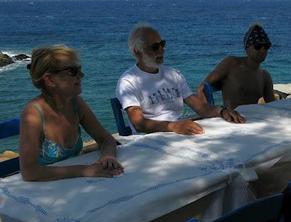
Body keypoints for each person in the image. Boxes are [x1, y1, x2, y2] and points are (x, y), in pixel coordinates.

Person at [116, 24, 245, 135]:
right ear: (137, 51)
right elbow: (139, 124)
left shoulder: (172, 75)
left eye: (162, 44)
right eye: (154, 47)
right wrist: (173, 126)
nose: (161, 50)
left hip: (177, 134)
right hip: (150, 139)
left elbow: (199, 107)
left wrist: (222, 112)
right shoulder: (128, 81)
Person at [20, 45, 123, 181]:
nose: (81, 76)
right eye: (73, 72)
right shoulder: (33, 114)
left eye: (80, 70)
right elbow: (29, 172)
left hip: (75, 184)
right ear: (50, 80)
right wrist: (84, 170)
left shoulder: (75, 103)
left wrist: (108, 156)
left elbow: (105, 139)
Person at [196, 23, 275, 109]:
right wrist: (211, 112)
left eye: (266, 46)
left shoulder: (265, 76)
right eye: (258, 46)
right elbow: (202, 87)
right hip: (231, 119)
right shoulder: (232, 63)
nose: (263, 50)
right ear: (247, 48)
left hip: (252, 119)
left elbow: (273, 107)